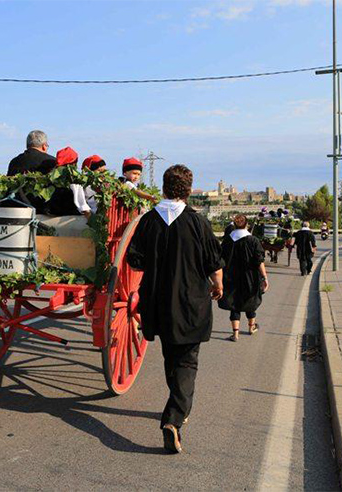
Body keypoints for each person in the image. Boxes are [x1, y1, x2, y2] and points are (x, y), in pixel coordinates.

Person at [127, 164, 224, 454]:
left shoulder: (148, 221)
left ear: (165, 188)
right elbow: (213, 262)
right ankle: (173, 419)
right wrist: (218, 284)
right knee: (187, 361)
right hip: (190, 301)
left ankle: (178, 406)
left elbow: (135, 259)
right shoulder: (198, 222)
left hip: (156, 300)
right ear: (188, 189)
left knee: (171, 355)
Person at [218, 214, 269, 342]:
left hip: (230, 276)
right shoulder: (253, 240)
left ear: (234, 225)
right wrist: (264, 276)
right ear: (247, 225)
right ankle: (251, 328)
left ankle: (235, 334)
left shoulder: (227, 241)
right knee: (250, 301)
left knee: (234, 303)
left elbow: (220, 259)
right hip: (250, 276)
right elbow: (259, 261)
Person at [6, 130, 57, 212]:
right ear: (44, 146)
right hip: (39, 209)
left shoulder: (14, 162)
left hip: (13, 207)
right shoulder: (51, 161)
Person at [46, 147, 88, 217]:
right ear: (74, 163)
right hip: (69, 215)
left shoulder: (51, 176)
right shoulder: (73, 178)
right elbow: (81, 204)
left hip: (51, 213)